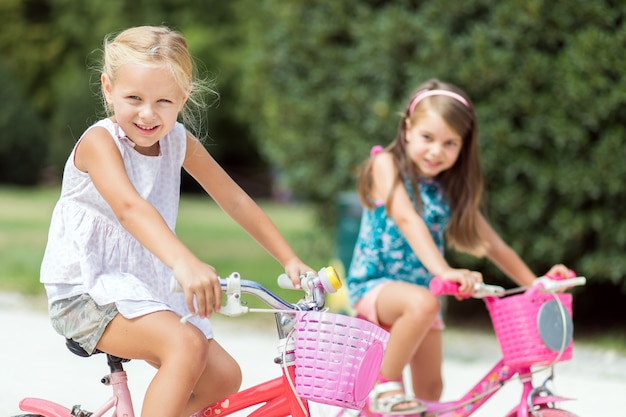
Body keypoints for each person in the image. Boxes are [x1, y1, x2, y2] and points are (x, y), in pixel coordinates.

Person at [40, 26, 314, 417]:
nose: (148, 113)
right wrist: (185, 263)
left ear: (183, 98)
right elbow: (129, 208)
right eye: (133, 98)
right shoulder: (99, 143)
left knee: (222, 377)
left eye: (164, 101)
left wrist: (289, 258)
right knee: (185, 344)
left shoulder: (178, 142)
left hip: (142, 287)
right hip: (85, 292)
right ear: (108, 88)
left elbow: (234, 200)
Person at [346, 79, 570, 415]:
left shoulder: (449, 188)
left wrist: (534, 284)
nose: (436, 151)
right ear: (407, 129)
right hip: (375, 286)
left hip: (424, 296)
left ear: (463, 146)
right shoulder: (386, 164)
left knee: (431, 390)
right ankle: (384, 383)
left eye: (450, 143)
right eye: (427, 138)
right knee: (423, 305)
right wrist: (445, 270)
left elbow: (493, 244)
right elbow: (407, 218)